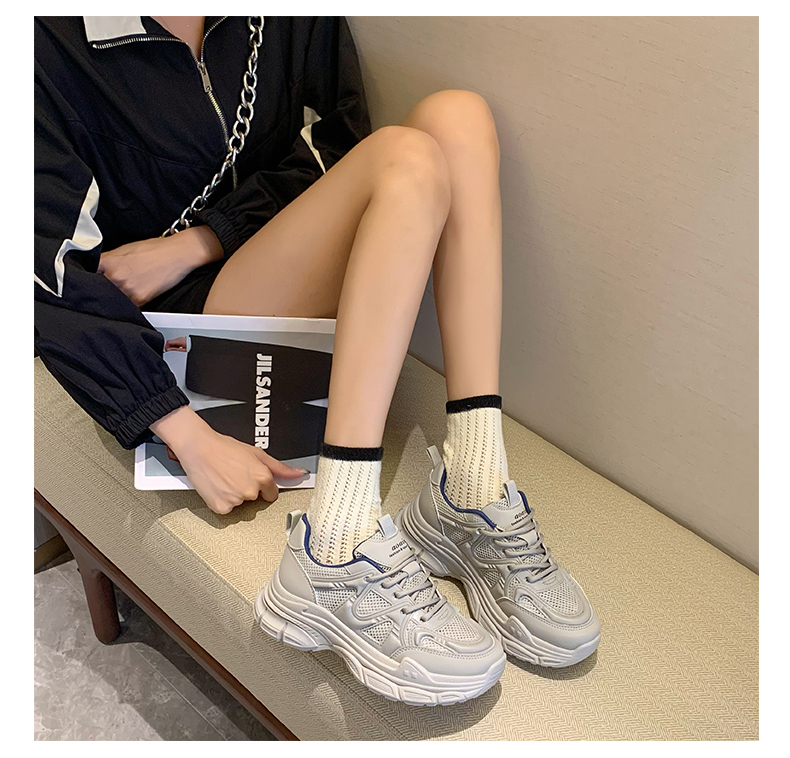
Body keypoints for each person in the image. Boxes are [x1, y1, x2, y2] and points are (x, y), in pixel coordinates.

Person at [34, 16, 600, 706]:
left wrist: (204, 239)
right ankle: (335, 544)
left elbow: (335, 141)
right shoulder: (43, 42)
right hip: (180, 332)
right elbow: (43, 277)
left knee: (458, 118)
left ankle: (473, 486)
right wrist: (182, 431)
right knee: (404, 157)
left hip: (262, 259)